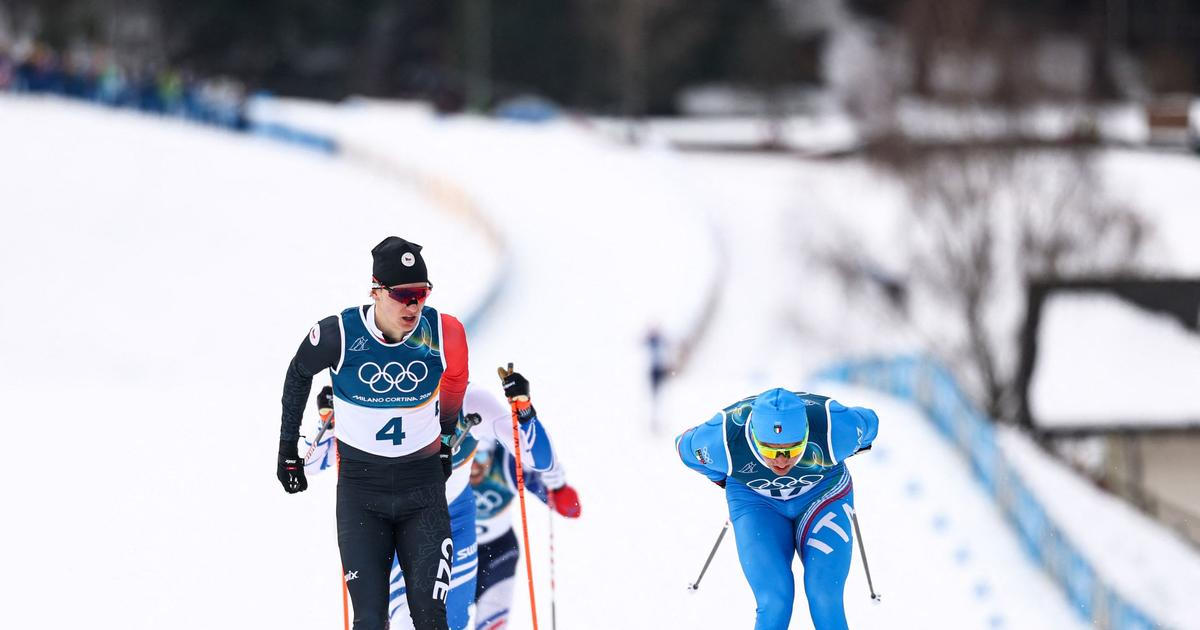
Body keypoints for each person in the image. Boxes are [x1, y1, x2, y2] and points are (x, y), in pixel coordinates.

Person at [277, 236, 468, 630]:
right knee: (369, 620)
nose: (414, 305)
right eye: (403, 295)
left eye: (422, 293)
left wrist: (447, 439)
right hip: (362, 495)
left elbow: (455, 382)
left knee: (431, 618)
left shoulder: (444, 333)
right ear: (376, 291)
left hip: (423, 492)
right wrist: (286, 449)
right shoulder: (338, 335)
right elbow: (298, 374)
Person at [304, 366, 576, 630]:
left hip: (460, 528)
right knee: (404, 623)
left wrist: (525, 412)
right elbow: (310, 464)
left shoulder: (474, 405)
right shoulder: (382, 400)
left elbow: (541, 461)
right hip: (399, 525)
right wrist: (327, 424)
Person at [675, 388, 879, 630]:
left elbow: (871, 423)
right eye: (770, 451)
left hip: (823, 495)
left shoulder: (835, 427)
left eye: (792, 450)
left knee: (825, 596)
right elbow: (683, 448)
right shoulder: (721, 439)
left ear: (806, 434)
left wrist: (848, 449)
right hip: (757, 502)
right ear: (753, 436)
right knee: (774, 600)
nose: (781, 461)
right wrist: (723, 478)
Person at [471, 431, 580, 630]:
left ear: (492, 452)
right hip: (454, 554)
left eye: (481, 456)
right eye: (470, 457)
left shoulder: (508, 465)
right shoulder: (447, 465)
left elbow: (571, 509)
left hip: (497, 555)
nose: (474, 466)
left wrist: (557, 485)